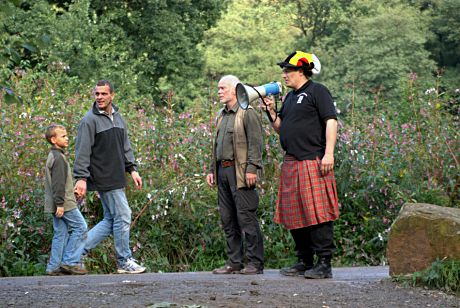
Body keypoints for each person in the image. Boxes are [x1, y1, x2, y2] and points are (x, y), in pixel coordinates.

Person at [263, 51, 339, 279]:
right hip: (291, 161)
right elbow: (281, 128)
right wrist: (270, 112)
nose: (284, 74)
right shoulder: (289, 98)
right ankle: (304, 260)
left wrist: (329, 153)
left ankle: (324, 263)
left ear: (302, 71)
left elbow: (331, 121)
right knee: (294, 213)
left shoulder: (318, 91)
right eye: (284, 70)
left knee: (318, 213)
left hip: (312, 159)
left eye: (288, 70)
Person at [73, 80, 146, 274]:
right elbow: (82, 151)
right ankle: (124, 261)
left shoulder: (118, 117)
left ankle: (75, 254)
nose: (99, 97)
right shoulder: (89, 120)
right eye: (97, 94)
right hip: (103, 176)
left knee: (111, 220)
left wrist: (133, 169)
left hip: (117, 175)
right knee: (123, 216)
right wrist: (81, 178)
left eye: (103, 94)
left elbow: (125, 147)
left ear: (112, 95)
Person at [206, 75, 265, 275]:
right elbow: (215, 146)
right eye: (218, 88)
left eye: (223, 88)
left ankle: (255, 263)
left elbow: (256, 143)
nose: (219, 91)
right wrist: (210, 170)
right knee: (227, 218)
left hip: (239, 172)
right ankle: (235, 262)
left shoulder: (247, 112)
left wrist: (252, 168)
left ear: (235, 89)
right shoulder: (221, 115)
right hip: (222, 171)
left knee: (246, 217)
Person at [44, 124, 88, 275]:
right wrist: (60, 204)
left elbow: (59, 184)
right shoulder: (59, 159)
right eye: (63, 136)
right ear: (53, 140)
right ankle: (69, 262)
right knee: (81, 228)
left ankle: (53, 266)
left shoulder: (53, 156)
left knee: (60, 232)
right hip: (64, 204)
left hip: (57, 202)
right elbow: (58, 184)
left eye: (67, 135)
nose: (67, 138)